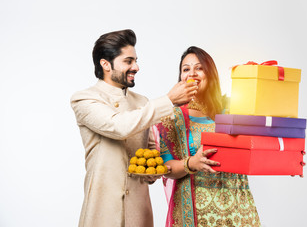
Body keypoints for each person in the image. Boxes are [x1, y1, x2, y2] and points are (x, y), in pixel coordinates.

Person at [70, 29, 198, 227]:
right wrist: (169, 100)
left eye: (136, 60)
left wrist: (153, 172)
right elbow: (119, 126)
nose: (136, 67)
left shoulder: (142, 102)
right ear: (105, 64)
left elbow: (151, 151)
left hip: (139, 213)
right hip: (103, 211)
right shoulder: (85, 99)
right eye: (128, 61)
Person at [157, 46, 261, 227]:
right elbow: (166, 166)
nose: (192, 74)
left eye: (199, 68)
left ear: (211, 73)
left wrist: (284, 160)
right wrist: (191, 163)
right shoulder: (171, 117)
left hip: (238, 209)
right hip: (196, 213)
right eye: (186, 69)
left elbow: (256, 145)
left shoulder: (233, 109)